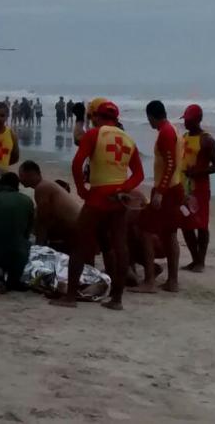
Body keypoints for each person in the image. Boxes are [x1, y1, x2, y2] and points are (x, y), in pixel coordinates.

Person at [52, 101, 144, 310]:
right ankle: (117, 299)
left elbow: (77, 163)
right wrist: (123, 189)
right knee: (120, 247)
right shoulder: (129, 139)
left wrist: (82, 190)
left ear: (97, 117)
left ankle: (70, 297)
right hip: (119, 200)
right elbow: (139, 174)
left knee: (80, 243)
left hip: (97, 196)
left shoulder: (95, 134)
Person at [143, 100, 183, 292]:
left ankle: (149, 281)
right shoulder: (173, 130)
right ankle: (172, 281)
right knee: (170, 235)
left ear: (151, 116)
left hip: (166, 190)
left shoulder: (165, 133)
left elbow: (170, 164)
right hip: (174, 187)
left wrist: (160, 192)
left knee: (146, 231)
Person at [179, 104, 215, 272]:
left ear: (198, 120)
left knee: (201, 225)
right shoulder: (184, 137)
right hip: (184, 188)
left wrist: (199, 172)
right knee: (185, 223)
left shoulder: (207, 140)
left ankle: (201, 261)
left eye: (189, 120)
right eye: (185, 120)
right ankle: (194, 259)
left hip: (200, 189)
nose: (186, 123)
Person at [19, 160, 80, 254]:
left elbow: (43, 221)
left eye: (21, 175)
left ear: (30, 174)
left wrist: (38, 248)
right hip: (75, 232)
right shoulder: (46, 185)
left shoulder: (42, 188)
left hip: (73, 235)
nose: (20, 179)